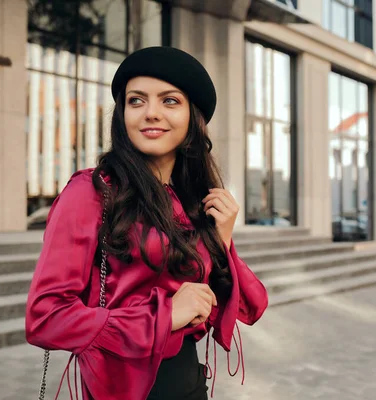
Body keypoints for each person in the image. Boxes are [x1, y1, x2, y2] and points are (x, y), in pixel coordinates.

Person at [25, 46, 269, 400]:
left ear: (192, 118)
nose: (150, 113)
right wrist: (165, 317)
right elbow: (46, 318)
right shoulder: (92, 192)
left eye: (169, 101)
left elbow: (250, 307)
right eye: (137, 101)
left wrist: (222, 241)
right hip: (120, 388)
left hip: (187, 383)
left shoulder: (194, 200)